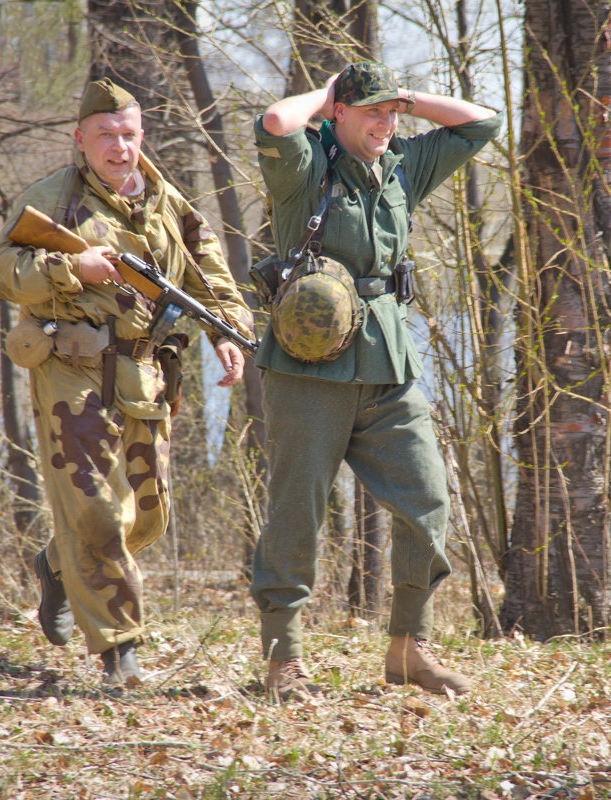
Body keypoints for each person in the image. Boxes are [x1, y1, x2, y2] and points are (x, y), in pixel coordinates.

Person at [0, 79, 254, 686]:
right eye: (105, 135)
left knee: (145, 518)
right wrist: (68, 266)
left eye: (128, 134)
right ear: (81, 140)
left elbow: (210, 272)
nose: (119, 146)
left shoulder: (167, 201)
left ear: (141, 137)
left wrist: (227, 333)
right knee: (100, 516)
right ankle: (119, 652)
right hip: (70, 371)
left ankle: (57, 565)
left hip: (143, 373)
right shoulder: (56, 197)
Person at [250, 61, 502, 699]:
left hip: (388, 365)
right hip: (308, 370)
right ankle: (283, 662)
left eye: (392, 113)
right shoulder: (306, 165)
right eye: (373, 112)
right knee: (296, 514)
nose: (386, 124)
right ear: (340, 112)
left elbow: (484, 123)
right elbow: (277, 121)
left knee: (427, 499)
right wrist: (329, 93)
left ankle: (408, 650)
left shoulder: (402, 165)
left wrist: (409, 100)